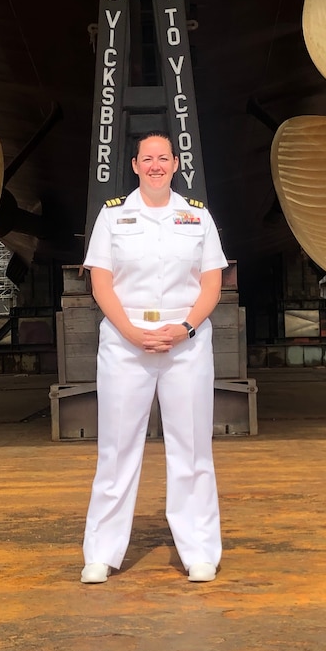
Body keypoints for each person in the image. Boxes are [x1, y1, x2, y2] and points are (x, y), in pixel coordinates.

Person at [80, 130, 228, 584]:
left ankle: (200, 551)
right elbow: (101, 283)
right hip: (127, 344)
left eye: (164, 158)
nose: (156, 165)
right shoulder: (113, 218)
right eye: (148, 159)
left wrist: (183, 329)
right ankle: (101, 554)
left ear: (176, 164)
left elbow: (211, 284)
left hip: (186, 343)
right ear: (135, 165)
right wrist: (131, 333)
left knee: (192, 449)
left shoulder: (197, 218)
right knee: (117, 450)